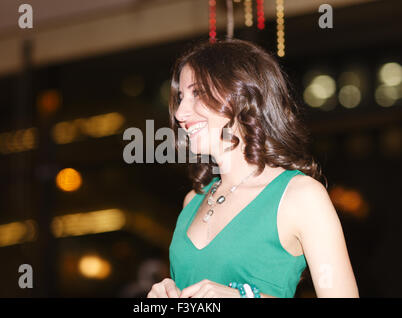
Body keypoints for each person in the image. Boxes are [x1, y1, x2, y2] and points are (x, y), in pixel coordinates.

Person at [147, 38, 359, 298]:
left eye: (197, 93)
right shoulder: (192, 200)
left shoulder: (301, 196)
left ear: (243, 96)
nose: (180, 113)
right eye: (181, 98)